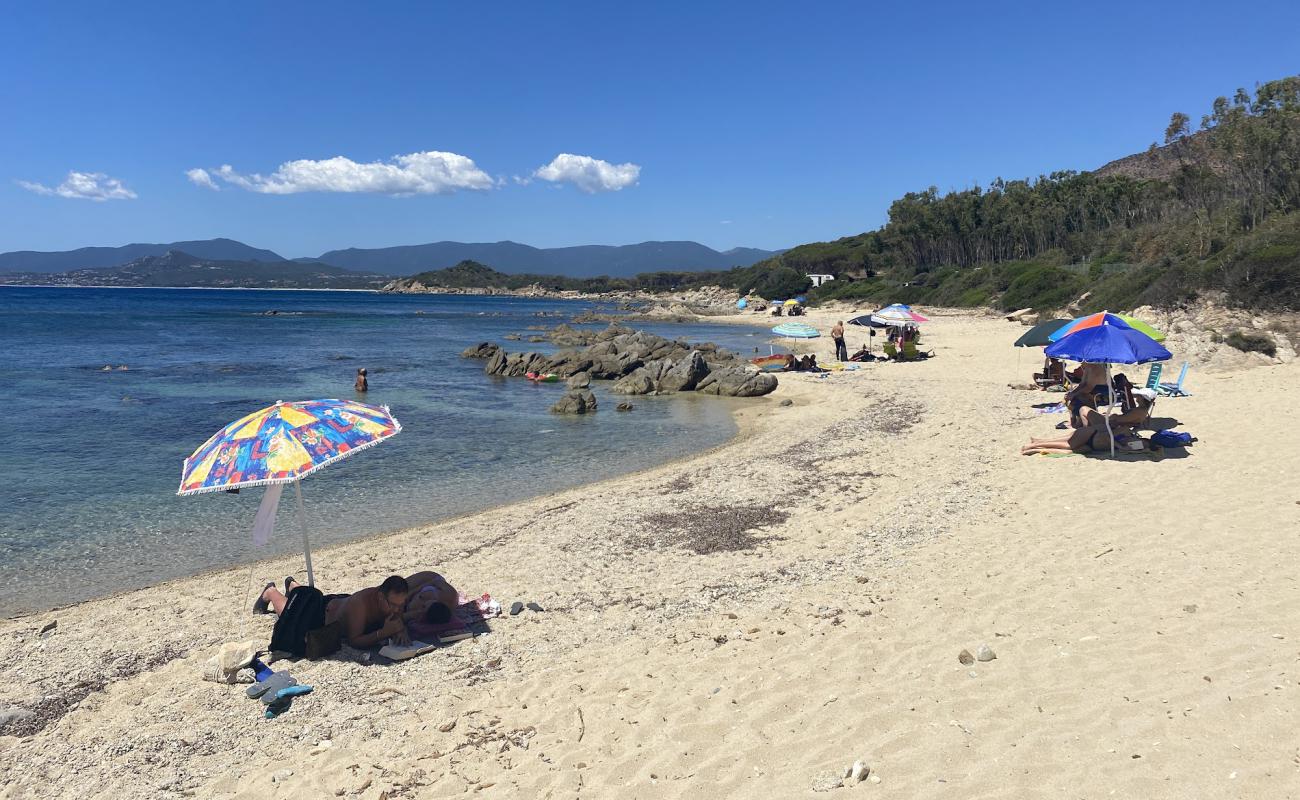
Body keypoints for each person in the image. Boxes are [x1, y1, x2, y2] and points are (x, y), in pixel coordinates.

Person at [256, 574, 411, 647]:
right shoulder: (360, 604)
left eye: (400, 605)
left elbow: (396, 619)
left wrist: (400, 629)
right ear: (380, 596)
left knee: (304, 599)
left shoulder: (392, 601)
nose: (397, 609)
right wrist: (384, 633)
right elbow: (354, 640)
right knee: (288, 615)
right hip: (322, 615)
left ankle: (293, 586)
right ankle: (270, 592)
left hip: (339, 602)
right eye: (393, 605)